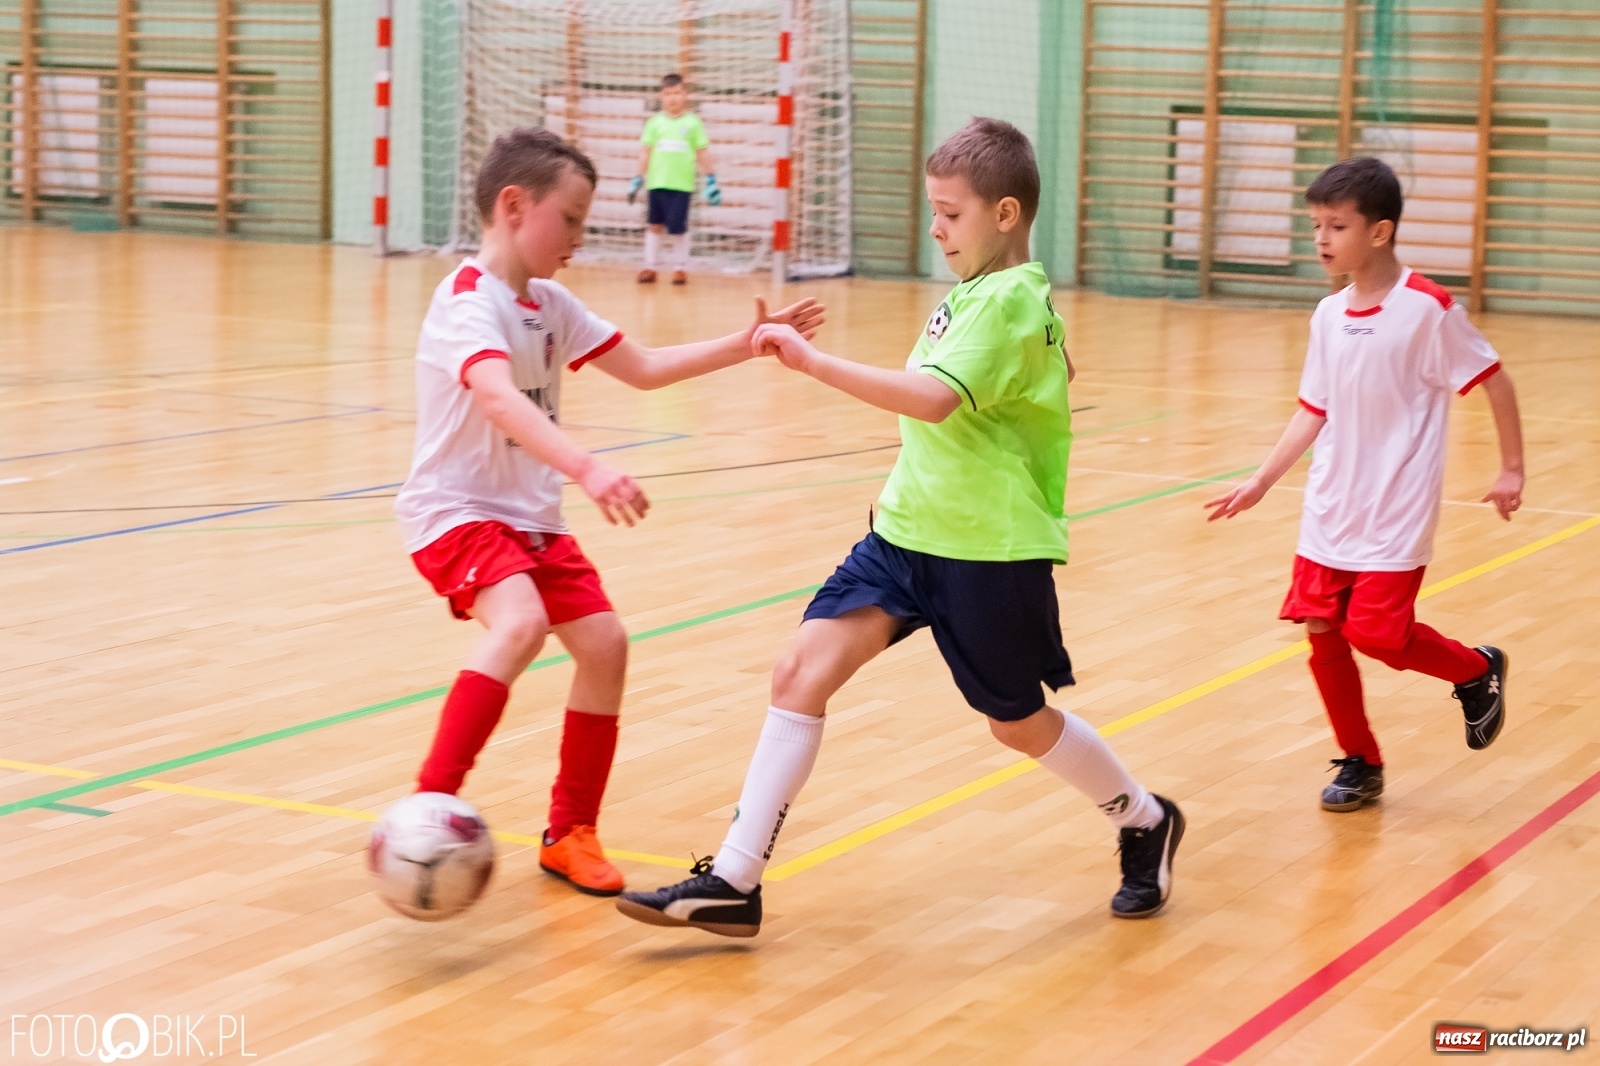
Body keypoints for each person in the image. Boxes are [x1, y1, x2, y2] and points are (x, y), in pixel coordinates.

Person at [616, 118, 1184, 938]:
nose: (935, 228)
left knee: (1015, 722)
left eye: (949, 213)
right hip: (906, 531)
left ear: (1005, 213)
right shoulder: (988, 296)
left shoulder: (1010, 298)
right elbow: (1047, 370)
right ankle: (736, 882)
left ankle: (1143, 817)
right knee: (797, 672)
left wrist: (813, 364)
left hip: (987, 547)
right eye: (933, 210)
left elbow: (933, 398)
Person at [395, 127, 822, 896]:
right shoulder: (466, 302)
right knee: (521, 623)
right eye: (573, 219)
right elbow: (493, 395)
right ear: (514, 206)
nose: (580, 239)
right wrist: (586, 466)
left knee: (605, 645)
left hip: (529, 519)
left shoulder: (550, 304)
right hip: (456, 511)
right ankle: (433, 801)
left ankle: (570, 832)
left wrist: (751, 342)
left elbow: (647, 368)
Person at [1205, 156, 1524, 812]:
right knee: (1322, 631)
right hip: (1330, 508)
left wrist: (1511, 467)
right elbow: (1313, 408)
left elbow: (1494, 378)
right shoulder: (1327, 314)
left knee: (1377, 634)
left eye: (1335, 226)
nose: (1321, 239)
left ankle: (1474, 669)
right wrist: (1264, 480)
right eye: (1316, 225)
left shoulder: (1427, 309)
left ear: (1378, 233)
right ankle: (1360, 760)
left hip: (1395, 512)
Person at [627, 73, 718, 285]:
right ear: (662, 96)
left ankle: (680, 268)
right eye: (668, 94)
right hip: (656, 183)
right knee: (654, 225)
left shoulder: (693, 123)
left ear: (685, 94)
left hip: (681, 186)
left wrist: (711, 178)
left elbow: (702, 152)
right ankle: (650, 267)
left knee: (678, 227)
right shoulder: (654, 123)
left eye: (677, 93)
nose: (673, 98)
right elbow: (645, 152)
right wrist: (637, 178)